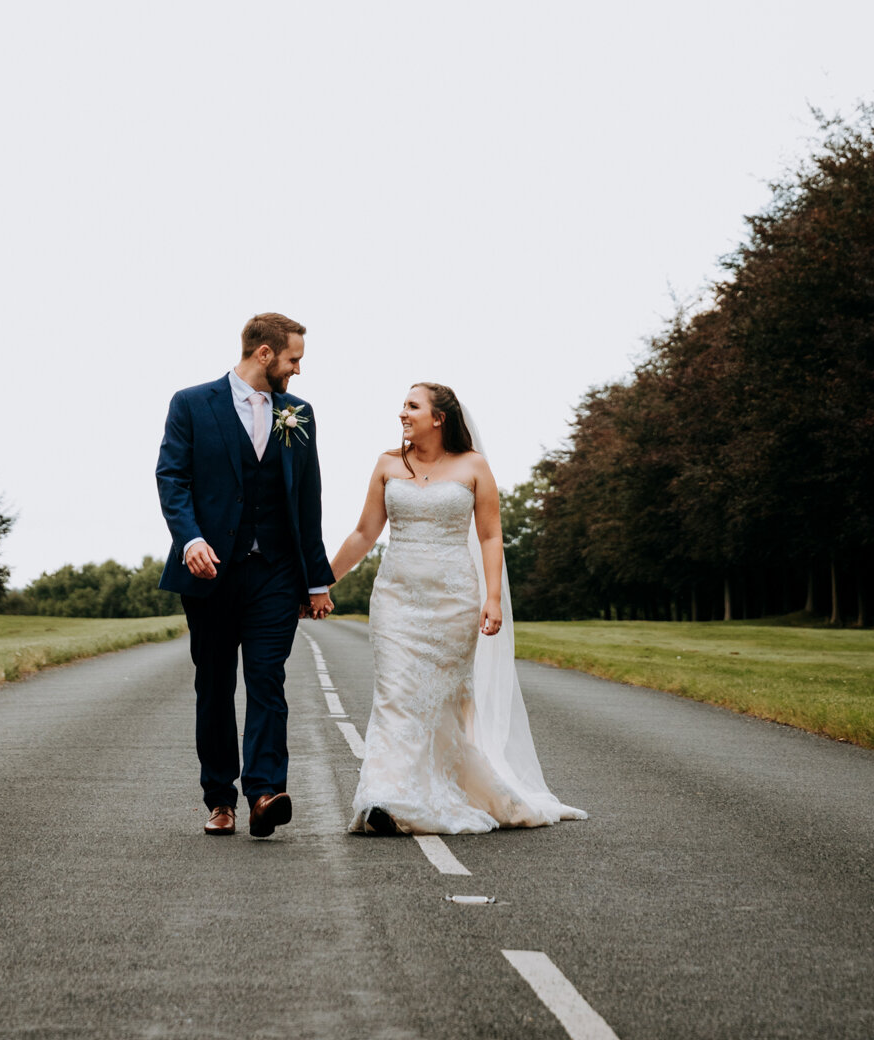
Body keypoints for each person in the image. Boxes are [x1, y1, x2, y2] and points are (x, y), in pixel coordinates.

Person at [325, 382, 585, 836]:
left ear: (438, 418)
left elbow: (489, 535)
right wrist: (320, 582)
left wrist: (493, 598)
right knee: (393, 698)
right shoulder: (388, 465)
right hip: (395, 601)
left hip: (453, 604)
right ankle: (383, 798)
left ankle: (438, 790)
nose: (401, 413)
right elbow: (364, 534)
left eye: (411, 406)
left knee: (442, 706)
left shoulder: (473, 466)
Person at [156, 313, 334, 839]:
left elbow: (308, 499)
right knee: (214, 686)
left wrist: (316, 581)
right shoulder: (191, 404)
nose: (297, 370)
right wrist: (189, 540)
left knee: (267, 680)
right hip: (211, 573)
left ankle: (263, 793)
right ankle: (220, 799)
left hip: (276, 574)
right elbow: (172, 478)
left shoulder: (298, 414)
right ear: (264, 354)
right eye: (293, 359)